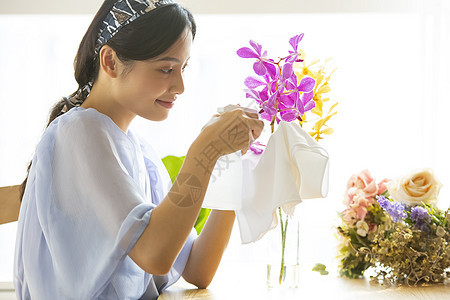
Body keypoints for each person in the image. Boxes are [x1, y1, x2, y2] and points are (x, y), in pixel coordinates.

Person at [13, 0, 264, 299]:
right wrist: (204, 151)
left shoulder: (141, 152)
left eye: (183, 68)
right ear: (110, 62)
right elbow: (153, 255)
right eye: (166, 69)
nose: (181, 85)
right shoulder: (79, 131)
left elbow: (198, 268)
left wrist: (229, 161)